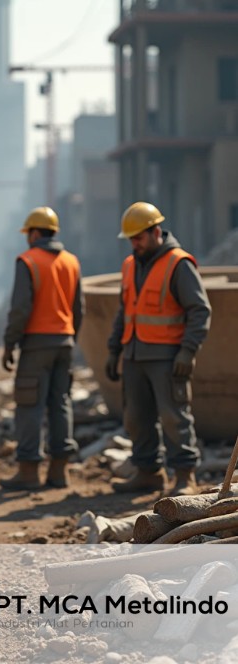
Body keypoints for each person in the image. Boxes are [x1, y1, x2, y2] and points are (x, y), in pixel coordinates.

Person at [106, 202, 211, 496]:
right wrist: (114, 350)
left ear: (155, 233)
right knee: (136, 418)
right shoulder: (130, 265)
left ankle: (184, 477)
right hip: (134, 355)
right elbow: (124, 311)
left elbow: (200, 311)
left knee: (174, 417)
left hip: (167, 358)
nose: (133, 244)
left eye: (138, 238)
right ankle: (148, 472)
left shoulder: (179, 264)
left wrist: (187, 352)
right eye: (130, 239)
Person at [0, 207, 84, 491]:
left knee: (29, 406)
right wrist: (71, 337)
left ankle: (29, 471)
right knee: (60, 404)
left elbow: (20, 308)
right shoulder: (71, 261)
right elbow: (78, 308)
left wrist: (10, 343)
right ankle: (60, 472)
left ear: (34, 233)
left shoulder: (28, 260)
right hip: (65, 342)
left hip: (36, 344)